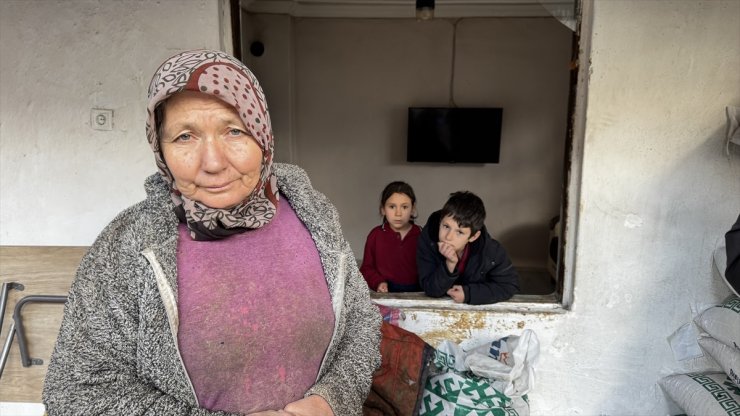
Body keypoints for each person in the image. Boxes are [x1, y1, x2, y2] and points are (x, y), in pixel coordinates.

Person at [42, 49, 381, 416]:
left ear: (262, 133)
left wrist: (330, 401)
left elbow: (361, 326)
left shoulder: (314, 214)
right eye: (185, 137)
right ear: (160, 147)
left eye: (234, 131)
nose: (214, 162)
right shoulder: (126, 246)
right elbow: (76, 391)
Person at [417, 191, 519, 305]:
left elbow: (509, 285)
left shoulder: (491, 251)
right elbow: (430, 289)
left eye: (459, 232)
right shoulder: (428, 241)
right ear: (440, 222)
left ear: (473, 236)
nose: (448, 237)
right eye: (446, 226)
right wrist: (449, 264)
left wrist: (470, 293)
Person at [360, 181, 422, 293]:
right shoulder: (375, 235)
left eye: (404, 207)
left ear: (412, 209)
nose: (398, 213)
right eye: (392, 206)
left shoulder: (422, 235)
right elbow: (366, 268)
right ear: (383, 209)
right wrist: (378, 282)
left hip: (419, 294)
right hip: (387, 293)